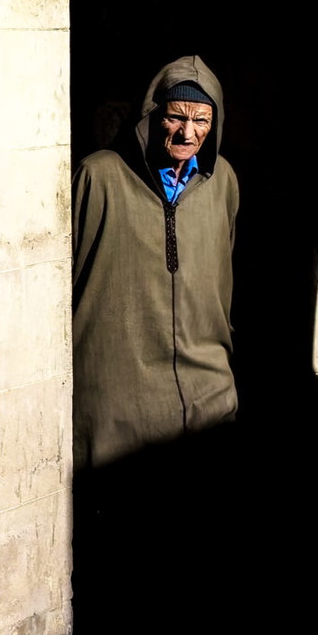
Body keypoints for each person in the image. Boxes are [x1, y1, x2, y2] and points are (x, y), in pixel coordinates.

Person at [71, 55, 239, 471]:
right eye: (175, 117)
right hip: (117, 405)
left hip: (208, 393)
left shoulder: (223, 182)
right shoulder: (99, 176)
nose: (187, 133)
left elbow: (224, 277)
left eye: (202, 121)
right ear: (152, 117)